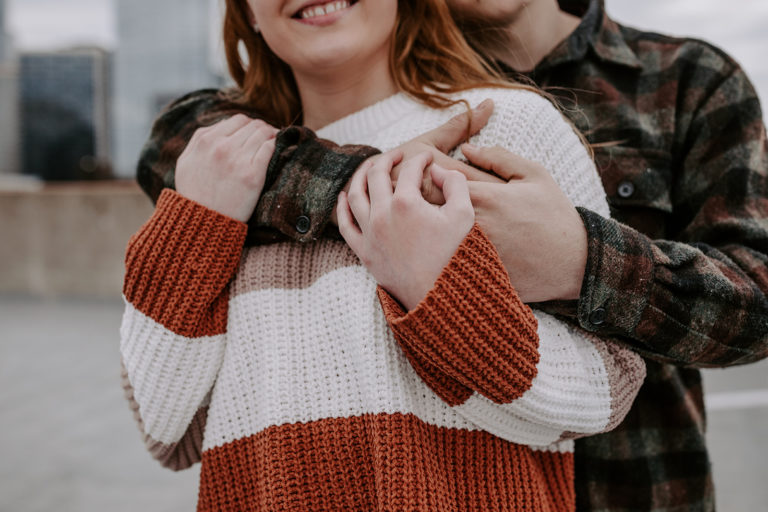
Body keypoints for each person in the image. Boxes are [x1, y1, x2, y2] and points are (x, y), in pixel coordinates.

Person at [137, 0, 768, 509]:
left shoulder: (668, 81)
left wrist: (578, 259)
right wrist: (387, 188)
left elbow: (753, 303)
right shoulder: (231, 148)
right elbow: (167, 426)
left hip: (635, 484)